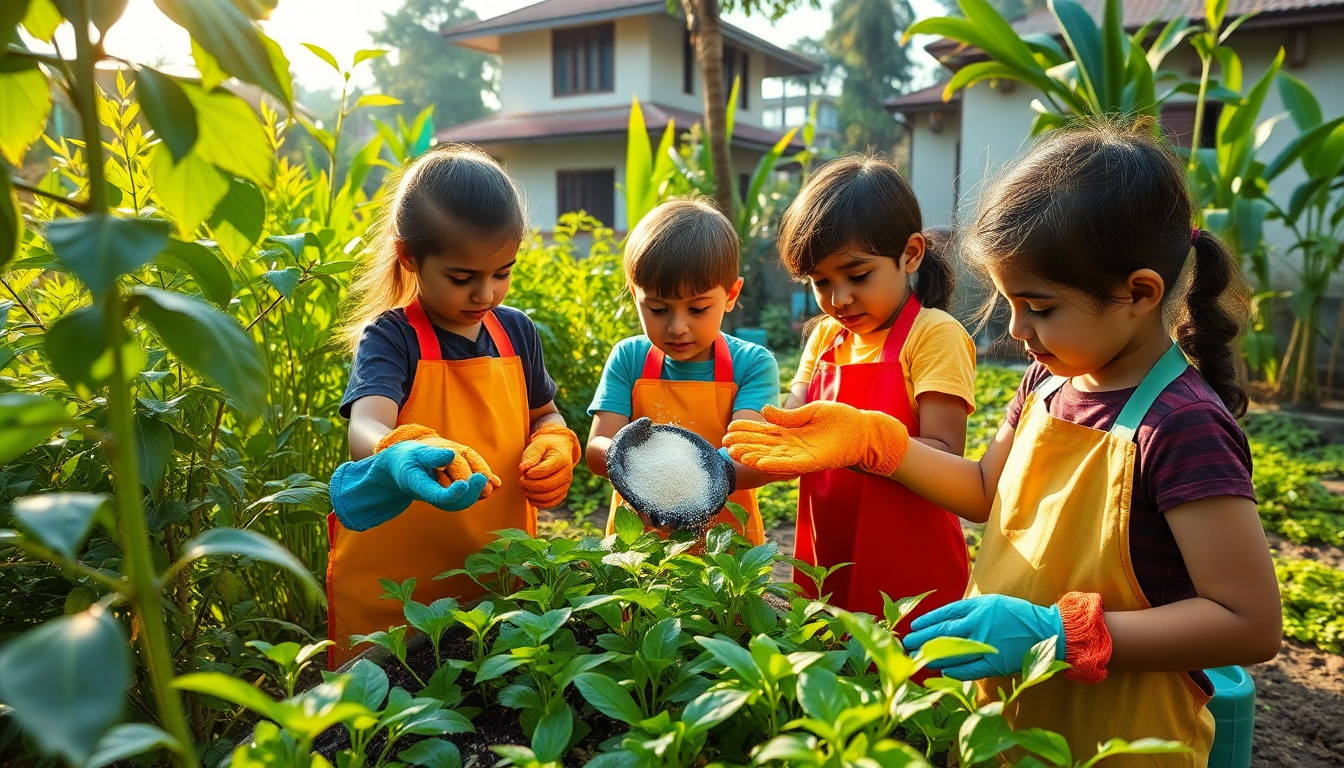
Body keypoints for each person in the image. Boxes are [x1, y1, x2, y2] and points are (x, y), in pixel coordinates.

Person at [725, 122, 1281, 763]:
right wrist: (877, 442)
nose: (1016, 329)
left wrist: (1059, 632)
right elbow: (985, 491)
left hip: (1116, 737)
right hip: (1009, 717)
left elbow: (1249, 622)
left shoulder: (1183, 426)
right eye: (1010, 302)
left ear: (1139, 292)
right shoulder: (1048, 378)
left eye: (1039, 307)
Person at [327, 144, 581, 668]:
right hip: (397, 589)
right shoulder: (392, 336)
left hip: (496, 571)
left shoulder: (517, 332)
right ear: (409, 256)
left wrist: (555, 441)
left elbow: (544, 413)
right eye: (462, 278)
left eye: (502, 272)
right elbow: (367, 425)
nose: (485, 293)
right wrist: (402, 451)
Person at [775, 156, 974, 630]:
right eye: (821, 282)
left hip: (908, 562)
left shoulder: (933, 336)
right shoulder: (826, 338)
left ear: (910, 254)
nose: (839, 298)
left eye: (857, 276)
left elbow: (948, 454)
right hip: (829, 547)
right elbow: (790, 425)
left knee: (906, 681)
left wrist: (865, 440)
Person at [586, 199, 782, 544]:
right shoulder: (629, 358)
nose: (678, 327)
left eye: (698, 308)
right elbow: (596, 449)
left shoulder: (752, 364)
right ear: (635, 296)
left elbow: (752, 458)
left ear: (731, 294)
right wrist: (632, 465)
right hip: (638, 545)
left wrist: (698, 480)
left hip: (726, 546)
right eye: (659, 309)